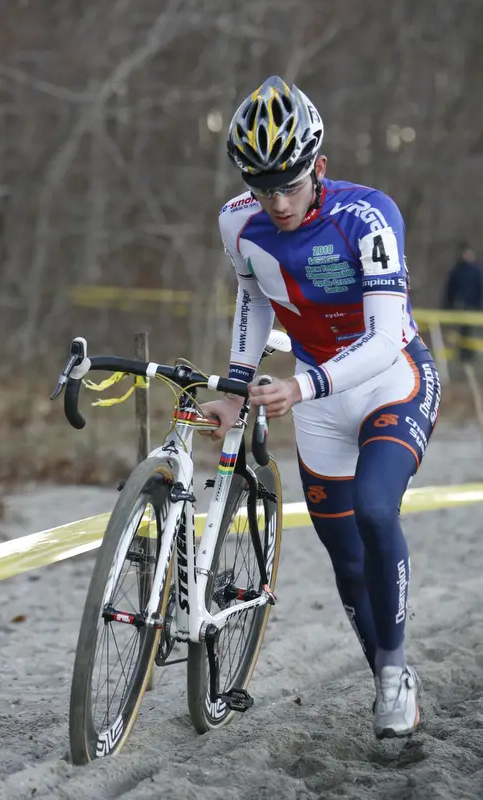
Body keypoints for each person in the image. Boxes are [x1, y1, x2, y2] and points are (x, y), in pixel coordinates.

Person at [200, 76, 441, 739]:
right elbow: (253, 296)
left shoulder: (367, 216)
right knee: (345, 558)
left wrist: (300, 387)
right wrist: (234, 384)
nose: (275, 201)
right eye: (261, 185)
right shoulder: (236, 221)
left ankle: (393, 673)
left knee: (372, 508)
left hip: (390, 381)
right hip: (316, 396)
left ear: (320, 169)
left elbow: (386, 336)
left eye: (289, 184)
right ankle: (387, 681)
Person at [443, 243, 483, 362]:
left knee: (472, 335)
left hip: (474, 309)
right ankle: (462, 360)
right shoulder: (456, 271)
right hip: (458, 310)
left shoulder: (477, 271)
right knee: (458, 336)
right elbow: (450, 291)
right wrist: (448, 306)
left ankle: (471, 359)